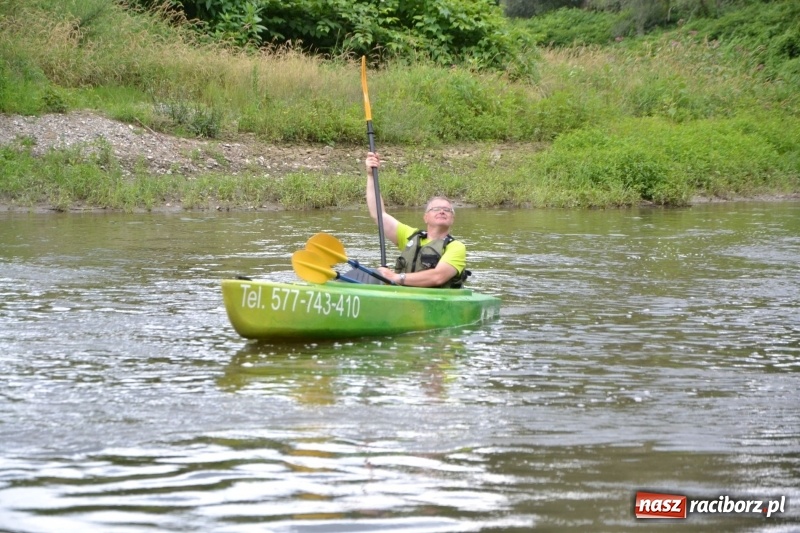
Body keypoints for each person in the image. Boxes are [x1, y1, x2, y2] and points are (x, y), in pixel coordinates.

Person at [363, 152, 468, 288]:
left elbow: (438, 277)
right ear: (426, 217)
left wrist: (395, 277)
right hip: (406, 299)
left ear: (452, 219)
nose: (442, 211)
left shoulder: (455, 247)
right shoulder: (410, 236)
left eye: (447, 210)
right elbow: (378, 214)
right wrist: (371, 175)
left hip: (435, 303)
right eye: (436, 209)